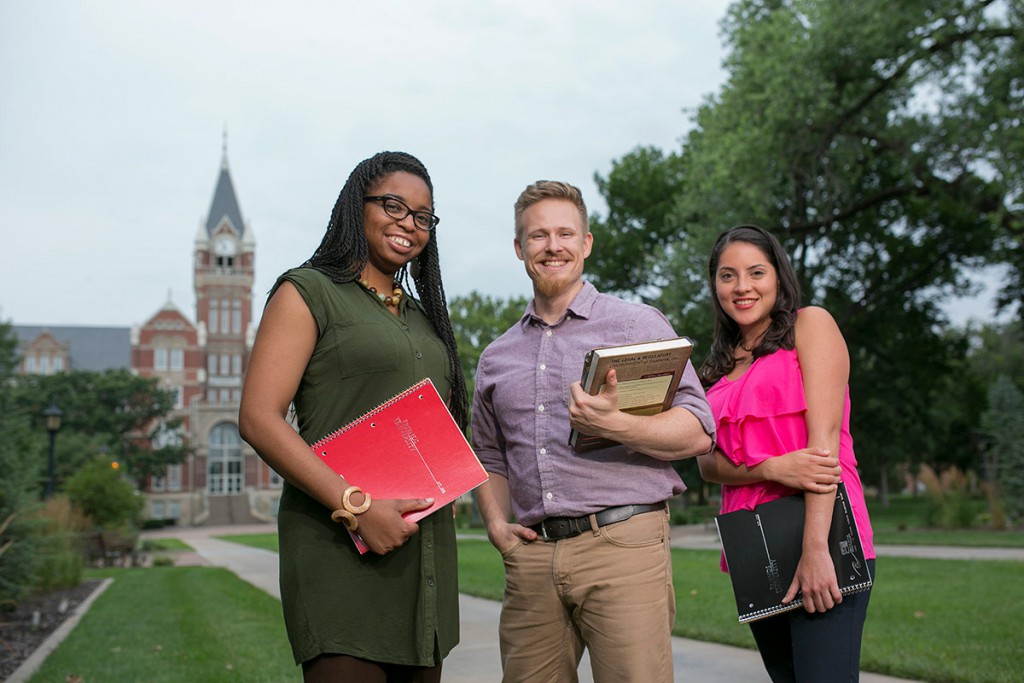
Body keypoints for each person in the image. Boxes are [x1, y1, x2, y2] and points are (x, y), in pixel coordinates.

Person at [471, 180, 716, 683]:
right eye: (538, 236)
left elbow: (698, 431)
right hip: (532, 557)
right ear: (520, 249)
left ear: (586, 243)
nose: (552, 246)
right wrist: (497, 526)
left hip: (623, 545)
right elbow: (488, 455)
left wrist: (616, 424)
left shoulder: (636, 325)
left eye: (565, 233)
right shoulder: (497, 356)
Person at [238, 151, 467, 683]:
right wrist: (356, 506)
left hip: (422, 560)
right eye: (393, 205)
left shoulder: (423, 318)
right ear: (355, 207)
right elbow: (258, 417)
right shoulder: (307, 291)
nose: (408, 223)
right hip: (339, 553)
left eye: (422, 216)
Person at [696, 224, 876, 683]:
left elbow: (824, 445)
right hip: (754, 549)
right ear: (715, 284)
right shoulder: (716, 367)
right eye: (727, 275)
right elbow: (705, 463)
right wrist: (772, 466)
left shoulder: (810, 326)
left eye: (756, 272)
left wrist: (817, 551)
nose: (742, 287)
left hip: (822, 532)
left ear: (778, 277)